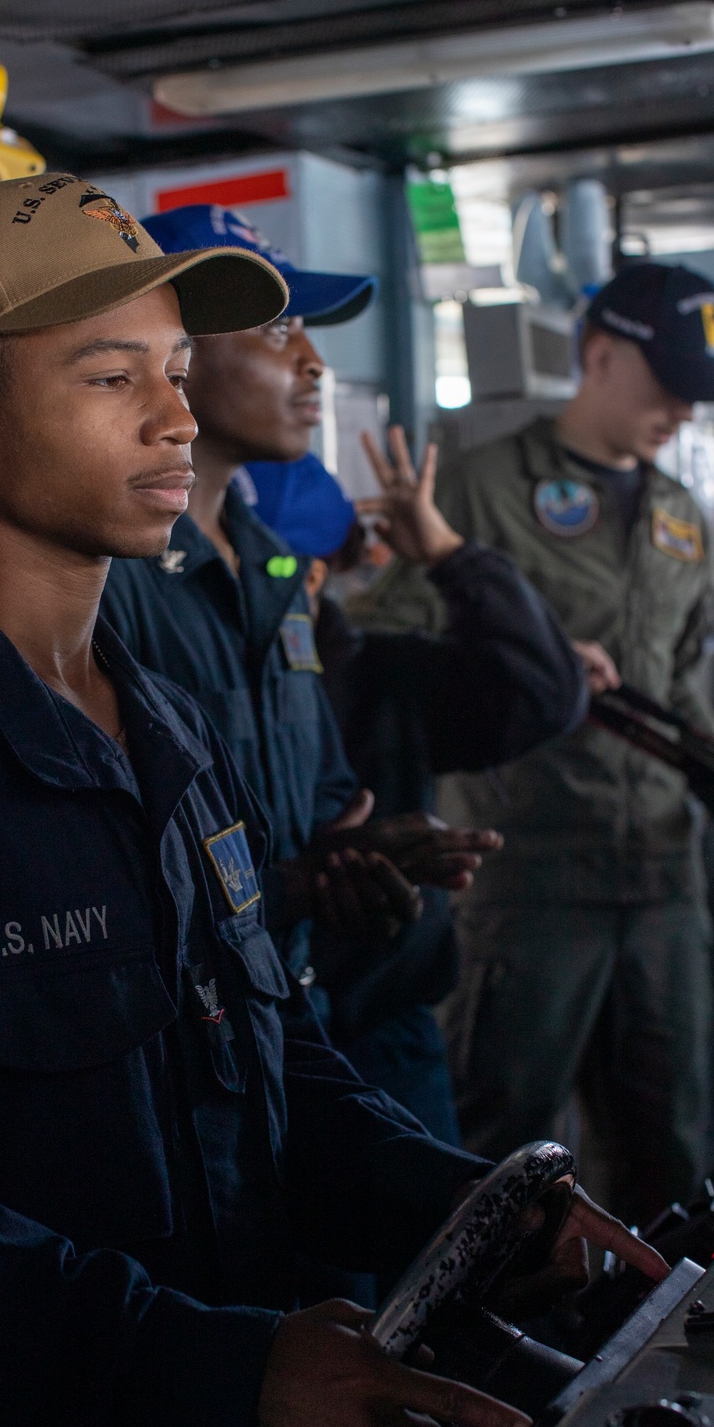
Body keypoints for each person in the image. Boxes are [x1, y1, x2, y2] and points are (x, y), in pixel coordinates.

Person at [0, 173, 665, 1427]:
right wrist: (218, 1369)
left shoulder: (167, 722)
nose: (176, 419)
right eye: (114, 376)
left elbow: (274, 1062)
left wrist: (479, 1208)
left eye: (178, 370)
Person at [350, 261, 714, 1225]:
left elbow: (681, 676)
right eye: (670, 387)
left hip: (661, 878)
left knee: (670, 1152)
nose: (683, 415)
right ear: (598, 355)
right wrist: (528, 653)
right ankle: (480, 1369)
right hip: (529, 883)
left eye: (700, 396)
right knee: (499, 1155)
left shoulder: (681, 514)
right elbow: (383, 659)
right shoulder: (478, 488)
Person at [102, 204, 506, 1023]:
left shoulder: (274, 566)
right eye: (281, 329)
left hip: (291, 1010)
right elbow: (106, 863)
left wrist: (354, 852)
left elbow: (319, 789)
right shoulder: (111, 576)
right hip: (176, 1023)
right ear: (172, 346)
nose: (316, 363)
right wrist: (291, 884)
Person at [245, 440, 588, 1137]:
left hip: (382, 1031)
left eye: (308, 567)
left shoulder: (385, 677)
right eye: (267, 563)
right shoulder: (176, 682)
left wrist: (449, 556)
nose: (289, 585)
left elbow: (543, 691)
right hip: (242, 1038)